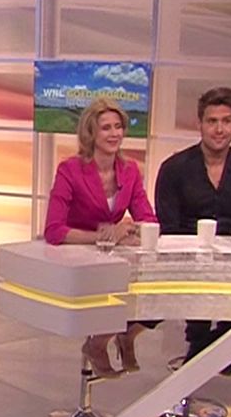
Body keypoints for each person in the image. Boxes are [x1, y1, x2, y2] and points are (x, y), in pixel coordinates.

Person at [152, 87, 231, 376]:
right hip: (185, 257)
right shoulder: (174, 168)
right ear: (199, 124)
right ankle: (205, 345)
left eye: (226, 121)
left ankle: (210, 344)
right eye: (212, 121)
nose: (219, 129)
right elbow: (169, 227)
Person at [43, 98, 158, 375]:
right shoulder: (70, 170)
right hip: (76, 257)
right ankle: (99, 343)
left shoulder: (130, 170)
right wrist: (103, 237)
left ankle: (117, 337)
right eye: (106, 128)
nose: (114, 133)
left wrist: (129, 228)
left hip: (111, 256)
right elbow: (54, 230)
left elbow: (149, 220)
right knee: (114, 288)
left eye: (118, 126)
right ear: (91, 133)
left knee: (151, 285)